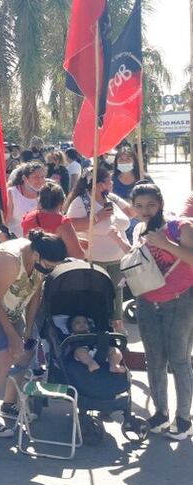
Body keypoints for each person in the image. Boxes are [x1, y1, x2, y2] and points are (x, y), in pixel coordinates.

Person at [0, 230, 67, 437]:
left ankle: (9, 404)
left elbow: (34, 295)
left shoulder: (39, 261)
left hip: (10, 306)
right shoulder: (10, 260)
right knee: (4, 357)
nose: (51, 269)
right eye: (50, 265)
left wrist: (28, 331)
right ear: (37, 255)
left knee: (26, 350)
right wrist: (12, 335)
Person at [129, 183, 193, 440]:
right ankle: (160, 413)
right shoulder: (139, 230)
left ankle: (184, 418)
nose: (145, 211)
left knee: (179, 360)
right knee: (154, 360)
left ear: (161, 204)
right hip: (147, 302)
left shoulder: (181, 227)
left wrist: (166, 244)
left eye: (151, 205)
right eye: (139, 206)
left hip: (179, 302)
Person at [66, 168, 130, 323]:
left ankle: (117, 322)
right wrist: (97, 217)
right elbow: (71, 225)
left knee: (117, 289)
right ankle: (98, 323)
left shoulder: (111, 199)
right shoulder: (81, 201)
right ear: (100, 185)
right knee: (97, 292)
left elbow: (130, 213)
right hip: (95, 259)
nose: (112, 183)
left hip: (118, 257)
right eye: (109, 180)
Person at [20, 181, 86, 259]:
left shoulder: (28, 217)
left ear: (40, 200)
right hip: (53, 264)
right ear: (62, 202)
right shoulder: (62, 223)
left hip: (30, 262)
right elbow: (78, 255)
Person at [4, 162, 47, 237]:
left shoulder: (46, 192)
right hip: (17, 239)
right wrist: (3, 236)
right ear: (24, 178)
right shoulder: (12, 192)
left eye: (42, 177)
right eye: (35, 177)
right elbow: (6, 219)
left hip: (40, 239)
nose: (40, 180)